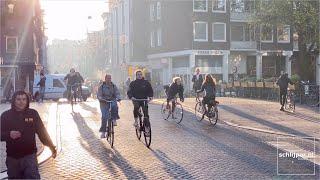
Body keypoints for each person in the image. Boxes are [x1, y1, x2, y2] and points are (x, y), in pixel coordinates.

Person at [1, 91, 57, 179]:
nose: (21, 102)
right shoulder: (5, 116)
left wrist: (51, 146)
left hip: (30, 157)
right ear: (14, 101)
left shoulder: (33, 114)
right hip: (12, 158)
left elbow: (42, 132)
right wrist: (9, 134)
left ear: (27, 101)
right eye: (18, 99)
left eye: (24, 99)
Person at [97, 74, 121, 138]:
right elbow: (99, 94)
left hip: (112, 100)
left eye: (110, 78)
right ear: (105, 79)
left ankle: (114, 119)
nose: (109, 79)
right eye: (107, 78)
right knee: (104, 117)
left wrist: (118, 97)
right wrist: (101, 98)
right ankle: (103, 132)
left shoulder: (113, 86)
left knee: (115, 106)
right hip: (104, 102)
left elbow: (117, 92)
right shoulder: (101, 87)